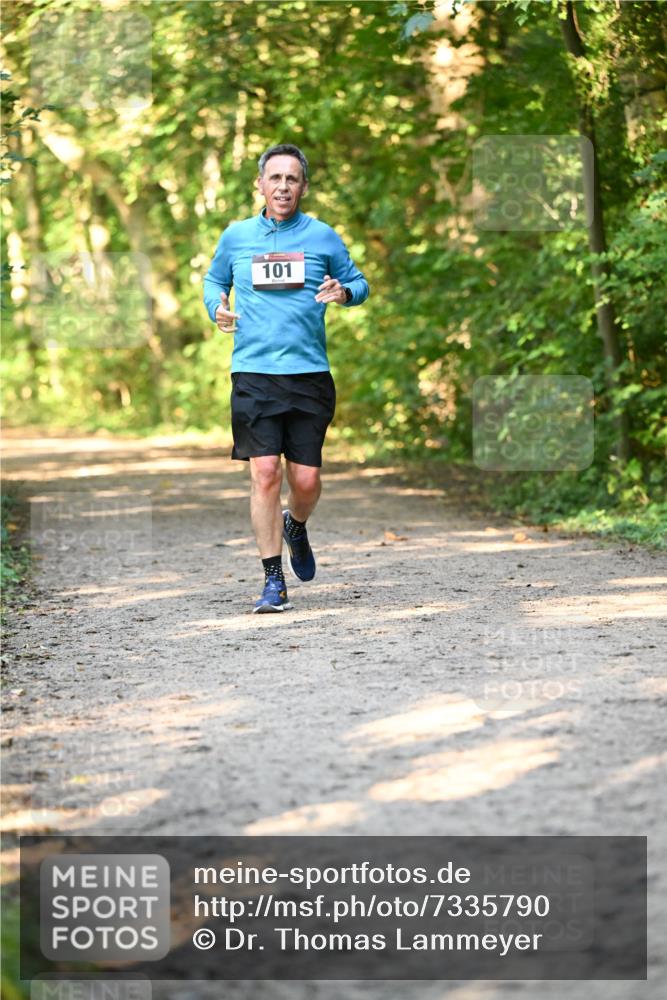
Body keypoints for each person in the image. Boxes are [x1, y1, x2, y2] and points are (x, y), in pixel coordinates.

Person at [203, 144, 369, 613]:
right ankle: (273, 579)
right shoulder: (237, 237)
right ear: (260, 184)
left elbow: (360, 283)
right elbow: (214, 281)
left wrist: (344, 292)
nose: (282, 186)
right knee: (265, 473)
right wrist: (216, 307)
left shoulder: (322, 237)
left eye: (291, 179)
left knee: (307, 481)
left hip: (309, 373)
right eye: (274, 178)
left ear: (303, 187)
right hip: (254, 373)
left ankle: (295, 524)